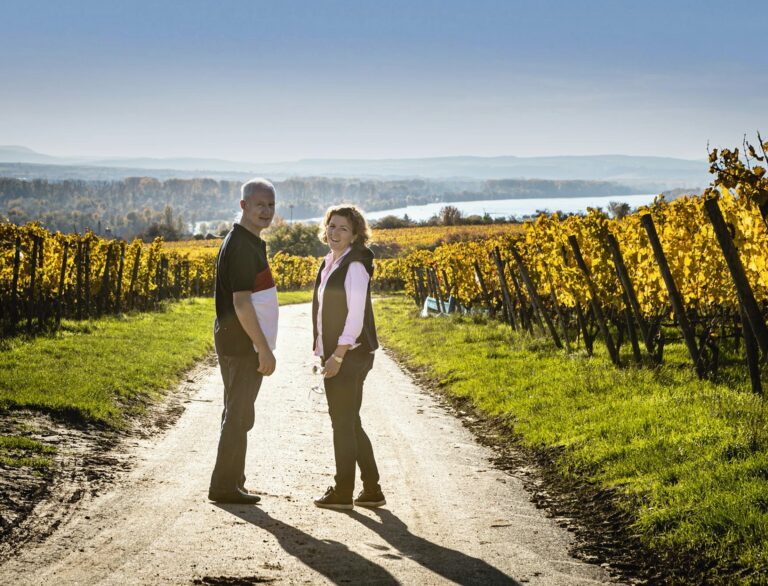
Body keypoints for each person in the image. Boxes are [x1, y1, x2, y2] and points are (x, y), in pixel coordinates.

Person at [208, 178, 278, 505]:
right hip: (241, 344)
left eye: (271, 205)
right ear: (244, 206)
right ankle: (224, 486)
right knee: (237, 414)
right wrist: (263, 347)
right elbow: (241, 303)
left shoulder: (248, 241)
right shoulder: (240, 246)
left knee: (239, 413)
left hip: (239, 342)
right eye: (260, 204)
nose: (266, 211)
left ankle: (233, 481)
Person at [312, 205, 386, 510]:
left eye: (343, 228)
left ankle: (343, 490)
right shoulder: (330, 262)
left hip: (349, 355)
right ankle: (372, 490)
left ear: (356, 234)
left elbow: (355, 317)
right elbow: (322, 312)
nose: (335, 233)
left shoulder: (354, 265)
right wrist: (322, 350)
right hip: (338, 354)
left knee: (342, 423)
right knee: (349, 421)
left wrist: (338, 355)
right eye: (332, 226)